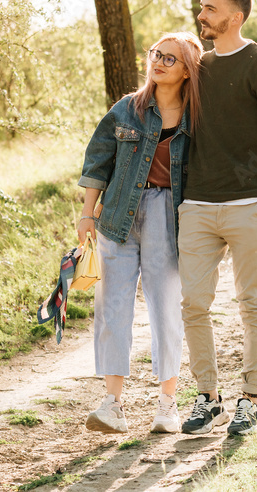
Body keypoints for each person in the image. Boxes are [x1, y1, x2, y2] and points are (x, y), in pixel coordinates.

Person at [178, 0, 257, 436]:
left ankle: (250, 399)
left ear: (235, 17)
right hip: (197, 204)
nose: (202, 15)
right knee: (193, 305)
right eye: (201, 7)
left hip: (249, 201)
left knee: (252, 303)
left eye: (210, 9)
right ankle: (208, 398)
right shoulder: (197, 66)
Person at [77, 32, 204, 434]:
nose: (159, 62)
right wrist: (86, 215)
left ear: (187, 71)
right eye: (155, 54)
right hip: (117, 216)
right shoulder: (127, 110)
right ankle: (112, 404)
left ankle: (168, 404)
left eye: (171, 58)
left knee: (166, 308)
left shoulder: (197, 116)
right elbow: (98, 162)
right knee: (112, 308)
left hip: (169, 217)